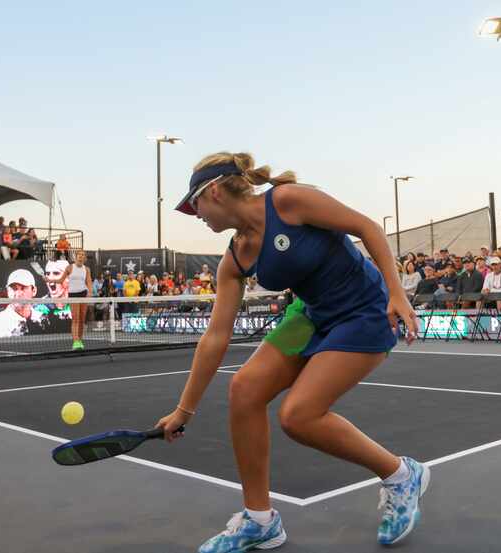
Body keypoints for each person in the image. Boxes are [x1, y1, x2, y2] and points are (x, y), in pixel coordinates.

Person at [155, 152, 423, 551]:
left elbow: (365, 227)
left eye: (195, 204)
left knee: (298, 416)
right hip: (312, 314)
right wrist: (184, 410)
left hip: (364, 309)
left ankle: (402, 475)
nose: (195, 215)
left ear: (214, 192)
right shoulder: (235, 258)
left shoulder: (288, 201)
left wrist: (397, 292)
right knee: (244, 390)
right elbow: (215, 337)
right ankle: (260, 520)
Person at [48, 250, 93, 350]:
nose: (81, 257)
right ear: (76, 257)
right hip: (73, 294)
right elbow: (60, 280)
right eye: (79, 255)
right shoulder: (70, 267)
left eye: (83, 255)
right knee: (76, 319)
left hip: (83, 294)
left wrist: (90, 292)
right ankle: (75, 341)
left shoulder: (87, 269)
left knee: (82, 319)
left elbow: (89, 282)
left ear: (84, 258)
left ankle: (80, 340)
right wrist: (50, 280)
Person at [0, 269, 45, 338]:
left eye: (23, 288)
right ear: (8, 291)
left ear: (34, 291)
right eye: (14, 289)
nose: (18, 294)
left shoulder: (43, 319)